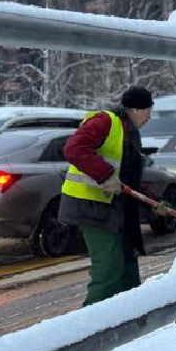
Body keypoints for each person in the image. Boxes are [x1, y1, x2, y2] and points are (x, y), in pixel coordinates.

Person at [61, 86, 154, 306]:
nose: (149, 118)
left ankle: (128, 318)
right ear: (139, 110)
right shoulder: (107, 122)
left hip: (111, 206)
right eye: (149, 111)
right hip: (90, 205)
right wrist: (104, 174)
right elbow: (74, 149)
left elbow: (129, 177)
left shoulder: (130, 132)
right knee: (110, 266)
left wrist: (154, 201)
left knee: (127, 264)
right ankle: (90, 325)